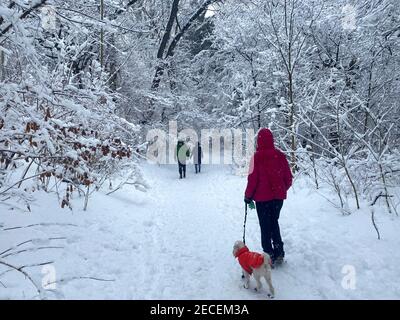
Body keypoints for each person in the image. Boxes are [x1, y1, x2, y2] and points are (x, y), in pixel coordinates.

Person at [244, 128, 292, 265]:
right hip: (278, 198)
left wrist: (248, 196)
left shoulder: (257, 157)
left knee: (265, 226)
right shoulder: (280, 156)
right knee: (274, 223)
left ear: (258, 141)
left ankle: (268, 256)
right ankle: (279, 253)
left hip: (262, 200)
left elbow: (252, 180)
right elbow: (288, 178)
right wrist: (282, 189)